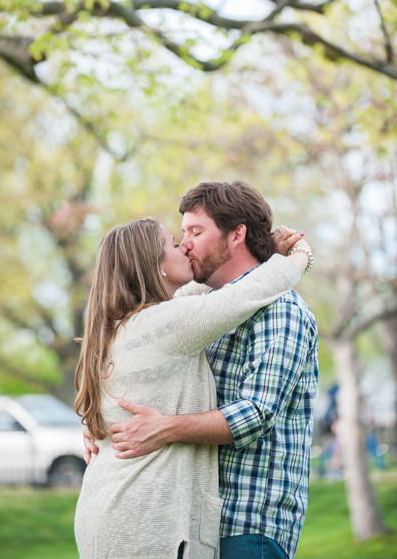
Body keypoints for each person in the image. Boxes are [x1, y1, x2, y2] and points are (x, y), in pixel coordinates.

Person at [86, 181, 318, 559]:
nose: (185, 244)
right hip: (189, 525)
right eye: (178, 238)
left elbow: (256, 413)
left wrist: (164, 427)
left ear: (236, 234)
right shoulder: (187, 317)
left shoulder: (282, 310)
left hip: (246, 524)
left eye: (195, 232)